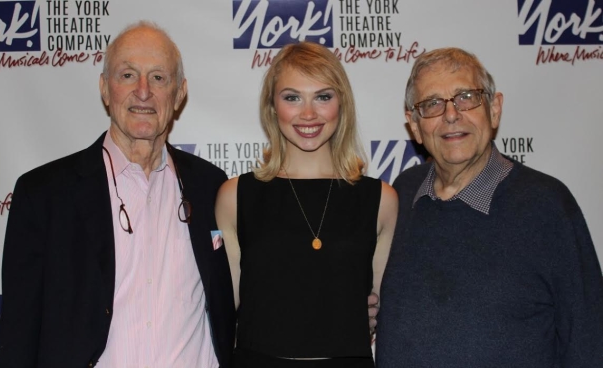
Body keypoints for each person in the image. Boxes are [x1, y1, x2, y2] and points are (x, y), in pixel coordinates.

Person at [0, 21, 235, 368]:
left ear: (179, 93)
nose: (143, 91)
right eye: (127, 75)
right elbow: (18, 332)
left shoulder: (212, 186)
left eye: (158, 77)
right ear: (105, 90)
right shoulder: (44, 195)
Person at [375, 47, 603, 367]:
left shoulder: (547, 205)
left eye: (467, 97)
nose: (451, 114)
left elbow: (588, 338)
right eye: (432, 104)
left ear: (494, 110)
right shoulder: (403, 192)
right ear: (414, 125)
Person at [215, 41, 398, 367]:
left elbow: (383, 309)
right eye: (292, 97)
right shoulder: (234, 197)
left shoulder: (381, 200)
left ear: (342, 104)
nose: (309, 113)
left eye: (323, 97)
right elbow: (223, 312)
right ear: (272, 106)